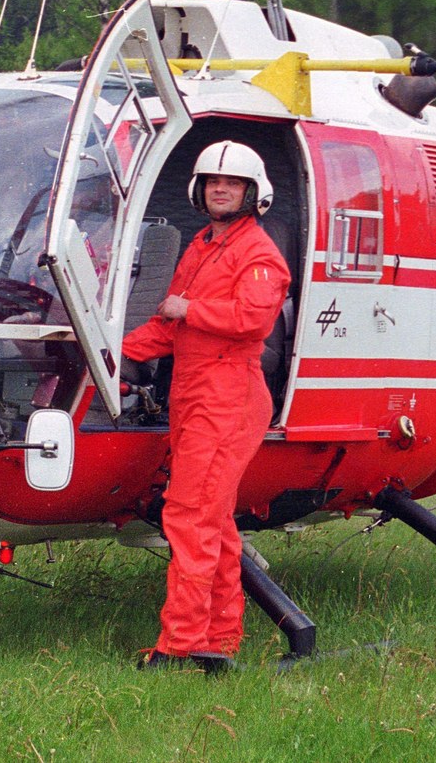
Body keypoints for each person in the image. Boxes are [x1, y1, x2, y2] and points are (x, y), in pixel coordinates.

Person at [122, 140, 289, 674]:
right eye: (212, 180)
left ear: (251, 193)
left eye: (232, 182)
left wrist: (190, 308)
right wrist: (109, 356)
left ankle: (181, 644)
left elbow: (253, 321)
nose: (221, 188)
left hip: (228, 397)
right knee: (212, 520)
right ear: (199, 189)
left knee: (190, 515)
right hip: (196, 396)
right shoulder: (200, 246)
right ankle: (217, 639)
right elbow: (168, 327)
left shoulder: (259, 253)